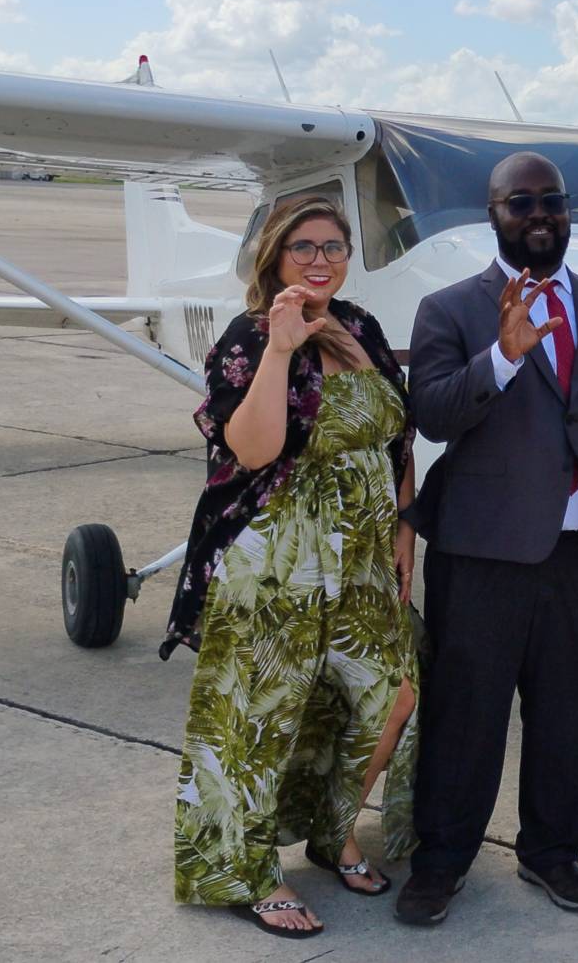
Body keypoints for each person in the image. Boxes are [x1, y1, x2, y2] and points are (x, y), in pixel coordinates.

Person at [396, 151, 578, 925]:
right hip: (483, 552)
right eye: (519, 203)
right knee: (467, 716)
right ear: (493, 215)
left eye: (551, 200)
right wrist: (504, 356)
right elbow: (433, 414)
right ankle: (442, 860)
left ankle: (554, 854)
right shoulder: (450, 310)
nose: (538, 214)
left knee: (569, 716)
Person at [166, 196, 421, 939]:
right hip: (278, 553)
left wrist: (405, 525)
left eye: (334, 247)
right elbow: (252, 450)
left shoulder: (361, 327)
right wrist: (280, 349)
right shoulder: (248, 338)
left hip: (367, 553)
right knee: (257, 718)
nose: (319, 260)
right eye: (303, 248)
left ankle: (335, 830)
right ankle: (249, 872)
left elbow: (393, 437)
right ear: (274, 257)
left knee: (390, 696)